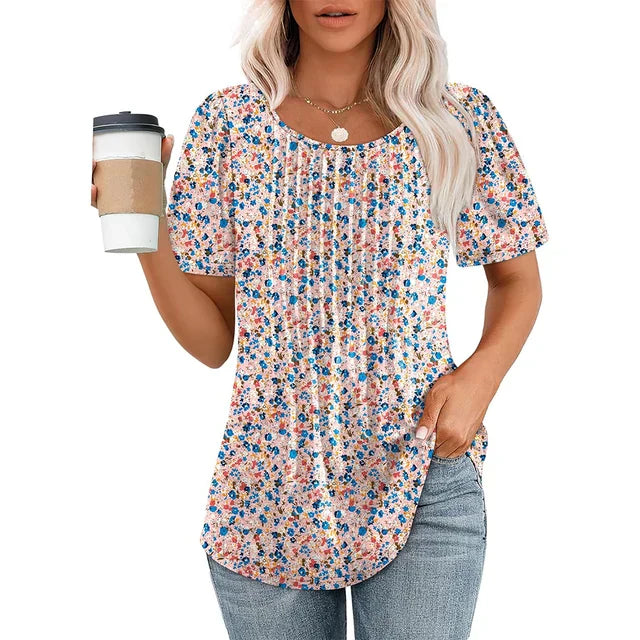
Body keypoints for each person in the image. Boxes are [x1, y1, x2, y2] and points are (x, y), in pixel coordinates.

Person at [91, 1, 549, 638]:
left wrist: (477, 382)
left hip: (418, 470)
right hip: (266, 488)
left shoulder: (455, 119)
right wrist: (149, 230)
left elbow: (518, 282)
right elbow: (213, 342)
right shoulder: (228, 125)